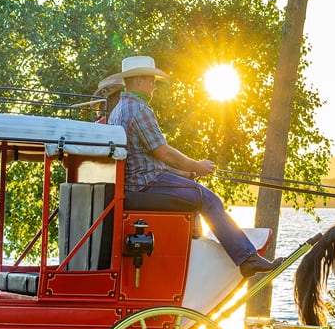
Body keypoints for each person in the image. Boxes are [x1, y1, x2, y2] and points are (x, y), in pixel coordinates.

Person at [108, 55, 279, 277]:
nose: (154, 87)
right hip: (145, 185)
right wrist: (197, 166)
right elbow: (164, 152)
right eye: (152, 81)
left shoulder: (119, 109)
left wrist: (182, 172)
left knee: (192, 192)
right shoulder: (139, 109)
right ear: (139, 80)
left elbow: (146, 157)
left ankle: (197, 249)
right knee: (207, 198)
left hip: (136, 183)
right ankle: (246, 258)